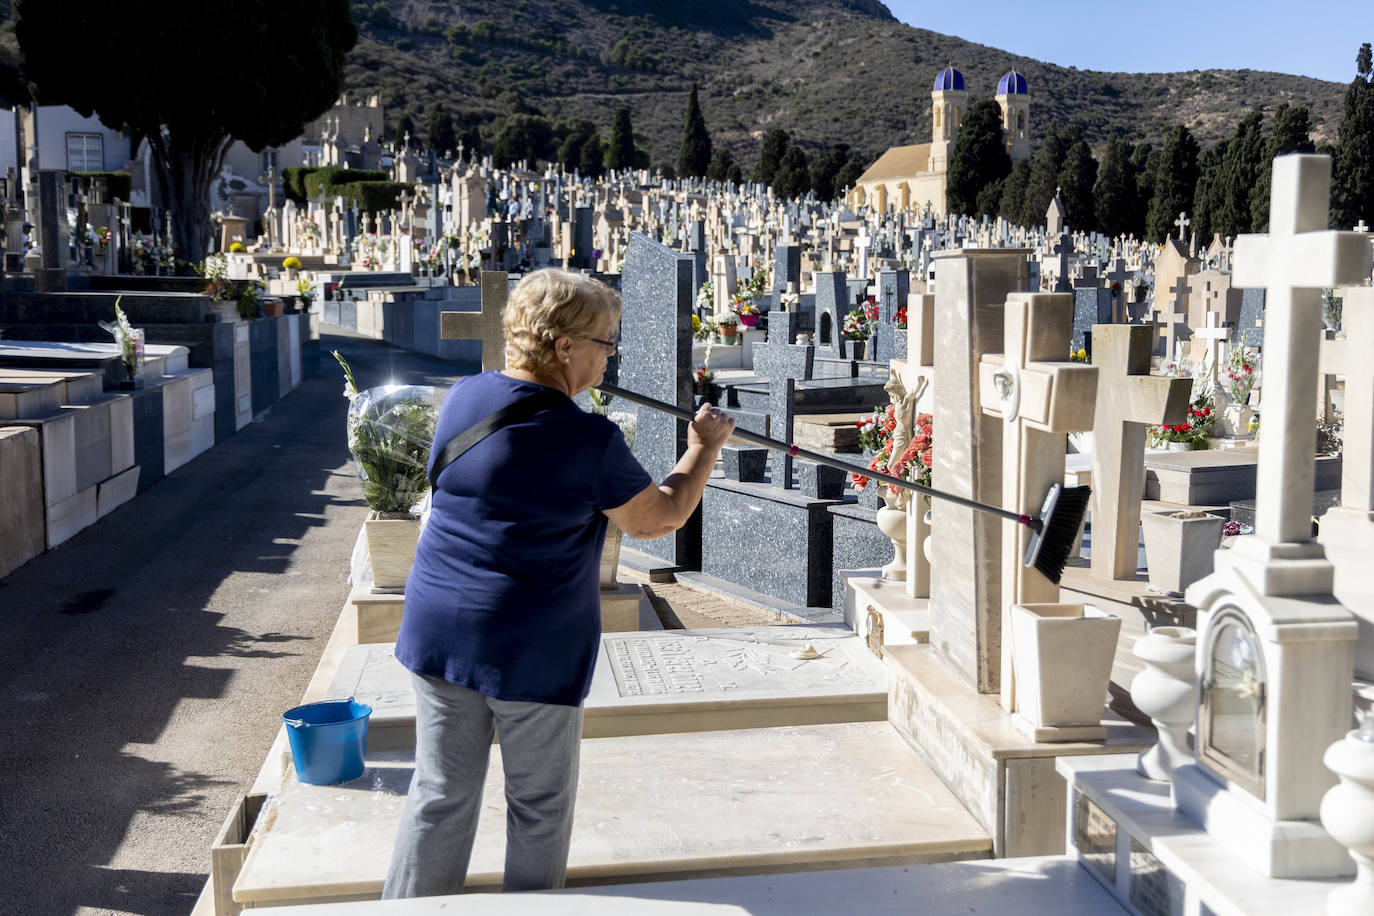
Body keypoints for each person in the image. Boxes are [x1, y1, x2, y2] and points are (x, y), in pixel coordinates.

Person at [383, 268, 735, 898]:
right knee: (538, 810)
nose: (609, 357)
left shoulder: (464, 397)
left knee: (438, 797)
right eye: (605, 342)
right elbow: (659, 518)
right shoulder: (584, 438)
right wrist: (703, 447)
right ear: (564, 346)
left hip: (438, 631)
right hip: (530, 650)